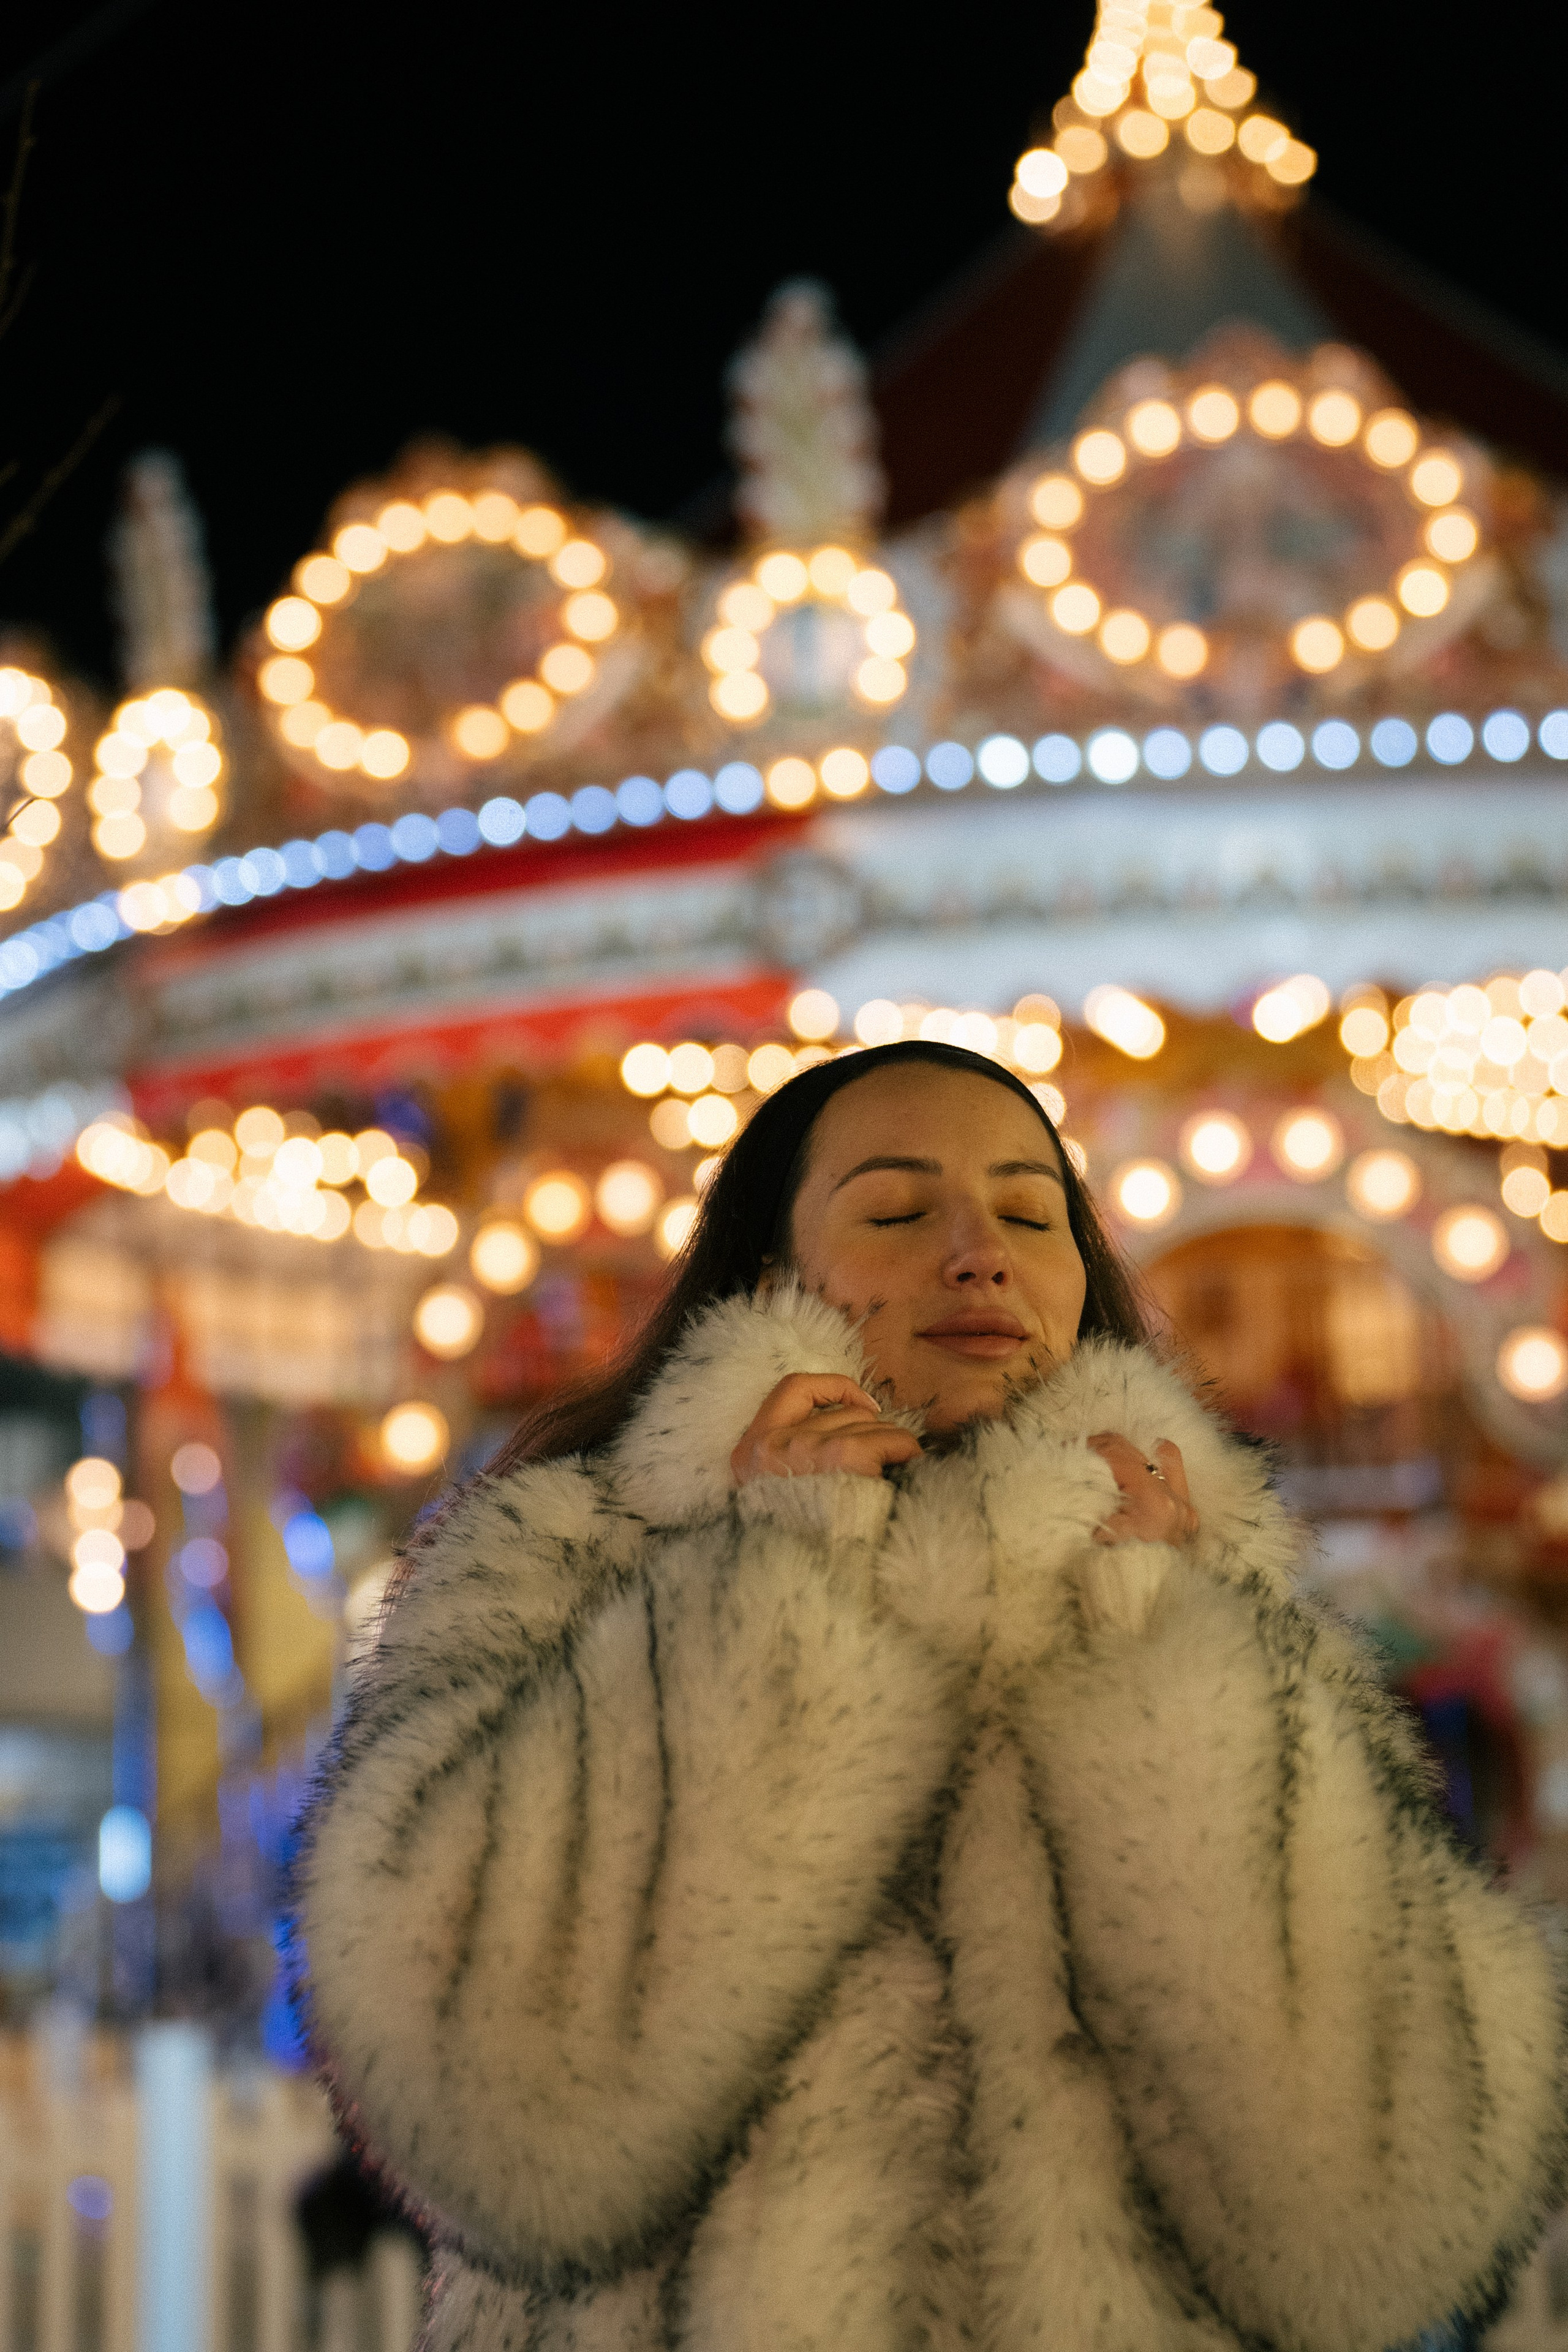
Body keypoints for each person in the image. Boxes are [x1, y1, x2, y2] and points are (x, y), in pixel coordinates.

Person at [300, 1041, 1564, 2352]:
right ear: (770, 1277)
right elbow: (485, 2114)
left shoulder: (1220, 1601)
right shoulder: (561, 1563)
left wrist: (1175, 1668)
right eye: (899, 1213)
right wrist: (763, 1597)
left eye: (1030, 1215)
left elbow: (1381, 2215)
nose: (980, 1255)